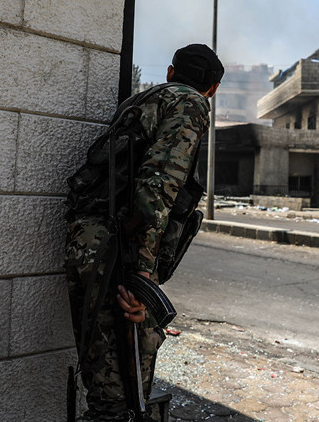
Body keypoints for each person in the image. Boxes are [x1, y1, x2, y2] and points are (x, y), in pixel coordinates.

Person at [65, 44, 223, 421]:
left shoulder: (140, 102)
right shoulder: (191, 104)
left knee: (105, 379)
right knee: (123, 393)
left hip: (91, 243)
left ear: (170, 72)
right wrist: (142, 277)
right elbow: (156, 189)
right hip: (118, 251)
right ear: (213, 89)